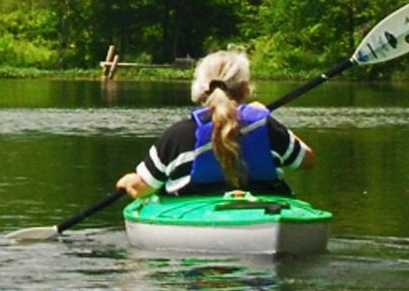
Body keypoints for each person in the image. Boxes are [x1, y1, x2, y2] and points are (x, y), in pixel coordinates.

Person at [117, 49, 313, 200]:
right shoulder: (266, 127)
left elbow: (142, 187)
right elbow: (307, 160)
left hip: (195, 219)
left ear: (200, 91)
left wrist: (127, 182)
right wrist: (264, 117)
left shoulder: (178, 135)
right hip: (264, 212)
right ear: (245, 89)